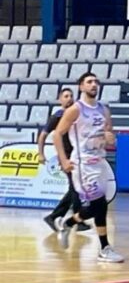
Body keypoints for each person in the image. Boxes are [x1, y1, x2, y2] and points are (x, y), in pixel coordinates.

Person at [52, 73, 123, 262]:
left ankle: (70, 225)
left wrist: (111, 138)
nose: (94, 85)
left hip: (100, 161)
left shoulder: (103, 109)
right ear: (81, 86)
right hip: (82, 164)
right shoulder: (75, 109)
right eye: (89, 82)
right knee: (98, 205)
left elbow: (109, 134)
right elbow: (57, 135)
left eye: (96, 82)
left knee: (99, 206)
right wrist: (63, 160)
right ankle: (101, 246)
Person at [40, 88, 89, 233]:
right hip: (65, 156)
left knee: (75, 188)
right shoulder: (57, 116)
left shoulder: (74, 114)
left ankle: (61, 217)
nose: (69, 98)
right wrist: (40, 153)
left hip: (76, 155)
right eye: (66, 96)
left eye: (71, 96)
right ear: (60, 100)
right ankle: (70, 219)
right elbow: (43, 135)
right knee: (75, 188)